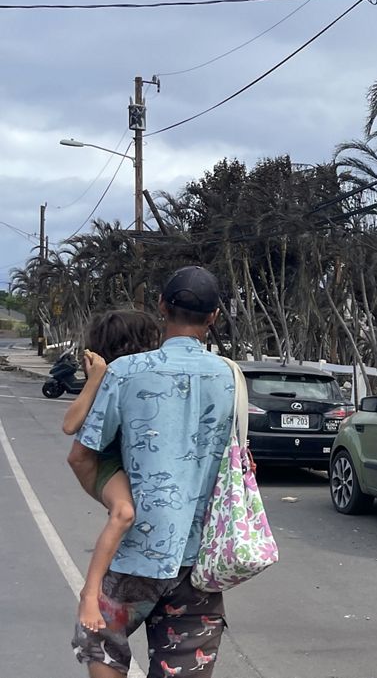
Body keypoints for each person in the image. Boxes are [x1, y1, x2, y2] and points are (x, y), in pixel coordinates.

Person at [67, 266, 235, 678]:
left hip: (134, 557)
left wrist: (115, 502)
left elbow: (81, 454)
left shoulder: (125, 373)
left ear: (162, 306)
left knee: (101, 644)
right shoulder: (232, 377)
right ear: (214, 316)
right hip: (198, 562)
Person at [61, 310, 162, 635]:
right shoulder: (111, 376)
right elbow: (69, 425)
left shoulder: (142, 375)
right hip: (107, 461)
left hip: (132, 461)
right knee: (124, 512)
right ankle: (90, 593)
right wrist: (95, 379)